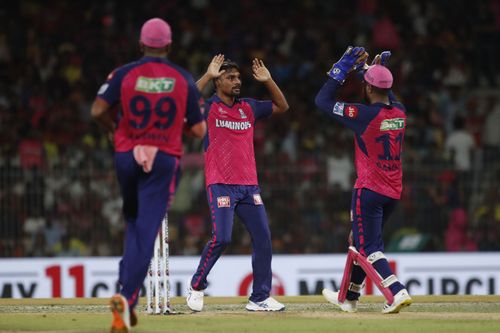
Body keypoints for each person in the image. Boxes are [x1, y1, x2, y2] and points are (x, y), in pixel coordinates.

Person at [91, 18, 206, 332]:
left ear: (141, 45)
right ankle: (126, 298)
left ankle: (124, 285)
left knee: (133, 224)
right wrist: (176, 128)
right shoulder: (182, 79)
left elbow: (98, 110)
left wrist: (116, 131)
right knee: (146, 231)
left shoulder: (123, 74)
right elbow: (198, 129)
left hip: (127, 156)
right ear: (168, 46)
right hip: (163, 160)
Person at [186, 54, 289, 312]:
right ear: (218, 81)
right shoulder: (208, 107)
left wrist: (268, 81)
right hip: (221, 183)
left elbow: (282, 106)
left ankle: (260, 297)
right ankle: (196, 286)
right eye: (230, 77)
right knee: (222, 238)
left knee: (263, 238)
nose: (236, 81)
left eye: (238, 78)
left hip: (249, 186)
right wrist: (208, 75)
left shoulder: (249, 107)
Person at [314, 47, 412, 314]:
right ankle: (348, 297)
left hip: (368, 190)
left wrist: (342, 70)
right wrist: (373, 72)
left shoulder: (364, 116)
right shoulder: (400, 113)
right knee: (358, 241)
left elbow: (322, 101)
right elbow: (386, 94)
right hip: (393, 192)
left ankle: (395, 291)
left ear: (367, 89)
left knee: (369, 248)